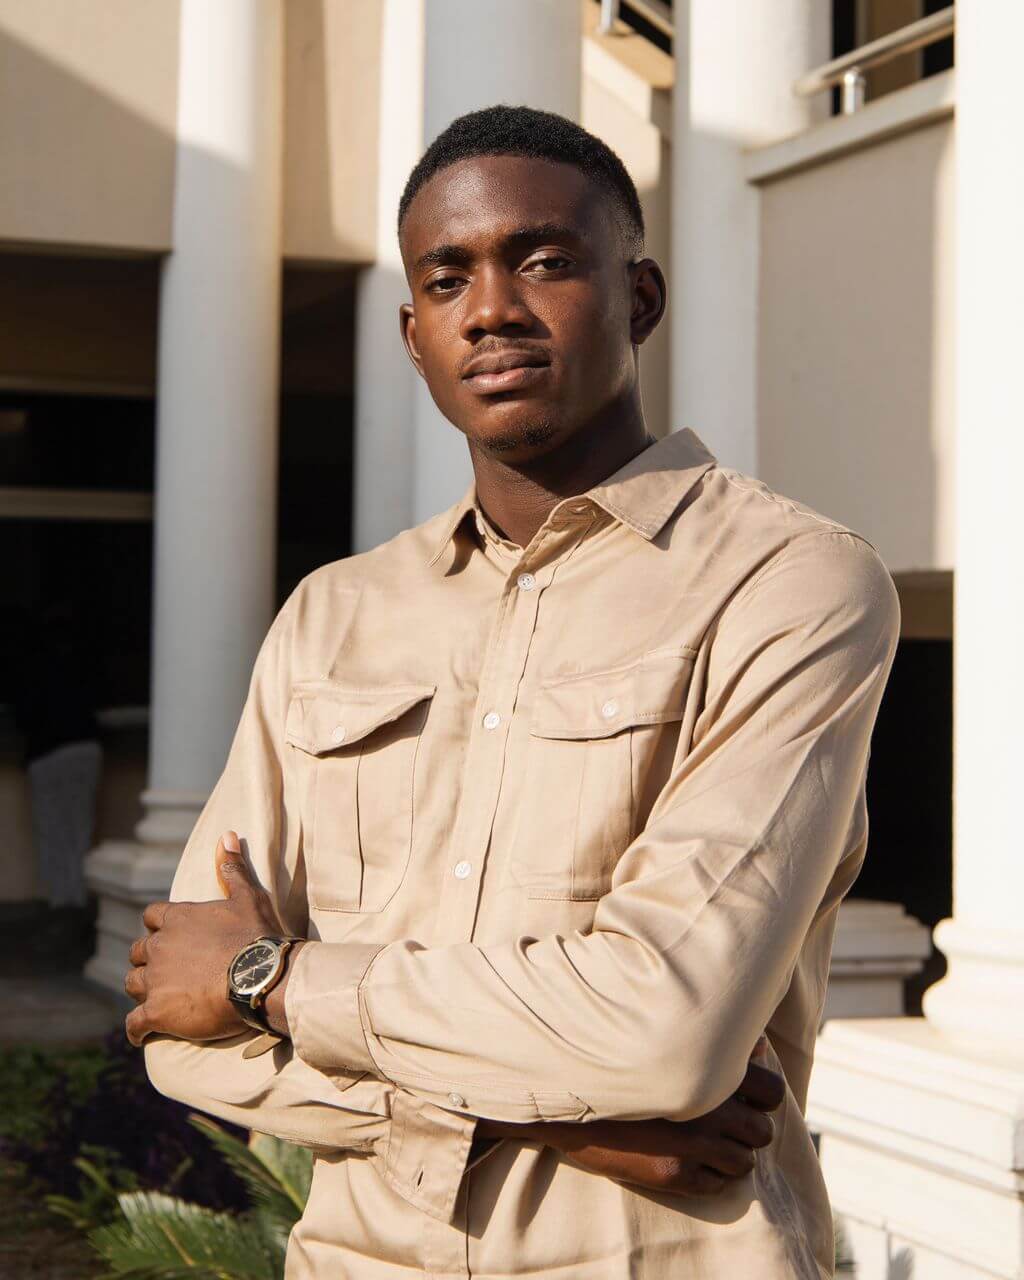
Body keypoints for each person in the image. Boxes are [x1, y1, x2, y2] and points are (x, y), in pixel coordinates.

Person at [125, 106, 899, 1278]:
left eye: (542, 260)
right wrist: (568, 1111)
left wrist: (269, 978)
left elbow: (666, 1023)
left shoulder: (790, 582)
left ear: (638, 298)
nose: (490, 306)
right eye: (448, 278)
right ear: (413, 334)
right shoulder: (330, 617)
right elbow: (181, 1029)